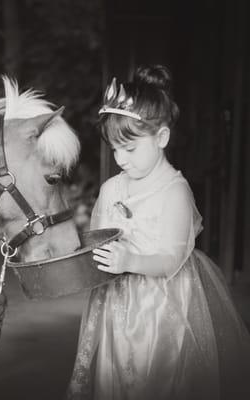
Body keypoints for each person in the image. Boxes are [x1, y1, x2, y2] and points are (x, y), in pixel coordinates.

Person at [65, 65, 250, 400]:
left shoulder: (174, 191)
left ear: (161, 138)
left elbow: (171, 259)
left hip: (161, 307)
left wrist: (131, 258)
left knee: (156, 378)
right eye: (114, 148)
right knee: (114, 373)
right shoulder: (111, 188)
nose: (120, 158)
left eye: (130, 148)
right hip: (116, 303)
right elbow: (97, 238)